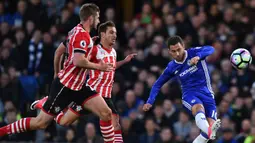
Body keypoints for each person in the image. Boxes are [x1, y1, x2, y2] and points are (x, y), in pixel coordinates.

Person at [0, 3, 117, 143]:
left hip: (79, 86)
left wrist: (57, 73)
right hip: (65, 87)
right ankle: (2, 131)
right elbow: (78, 61)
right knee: (41, 123)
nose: (99, 21)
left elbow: (58, 52)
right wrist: (100, 67)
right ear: (90, 18)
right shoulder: (82, 36)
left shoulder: (75, 31)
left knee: (106, 113)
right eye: (97, 17)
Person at [30, 21, 136, 143]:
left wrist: (124, 61)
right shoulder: (95, 50)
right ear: (103, 34)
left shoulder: (113, 52)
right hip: (92, 94)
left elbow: (111, 66)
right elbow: (80, 62)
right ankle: (44, 103)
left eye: (115, 33)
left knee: (115, 123)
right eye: (111, 33)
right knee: (64, 121)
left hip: (105, 95)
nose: (114, 36)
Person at [143, 36, 221, 143]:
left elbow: (211, 49)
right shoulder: (172, 67)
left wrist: (198, 57)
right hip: (189, 94)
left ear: (183, 46)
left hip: (207, 93)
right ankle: (209, 130)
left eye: (179, 49)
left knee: (207, 133)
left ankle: (209, 130)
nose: (177, 54)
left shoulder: (194, 52)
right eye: (173, 51)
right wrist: (150, 101)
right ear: (169, 52)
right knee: (199, 108)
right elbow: (157, 84)